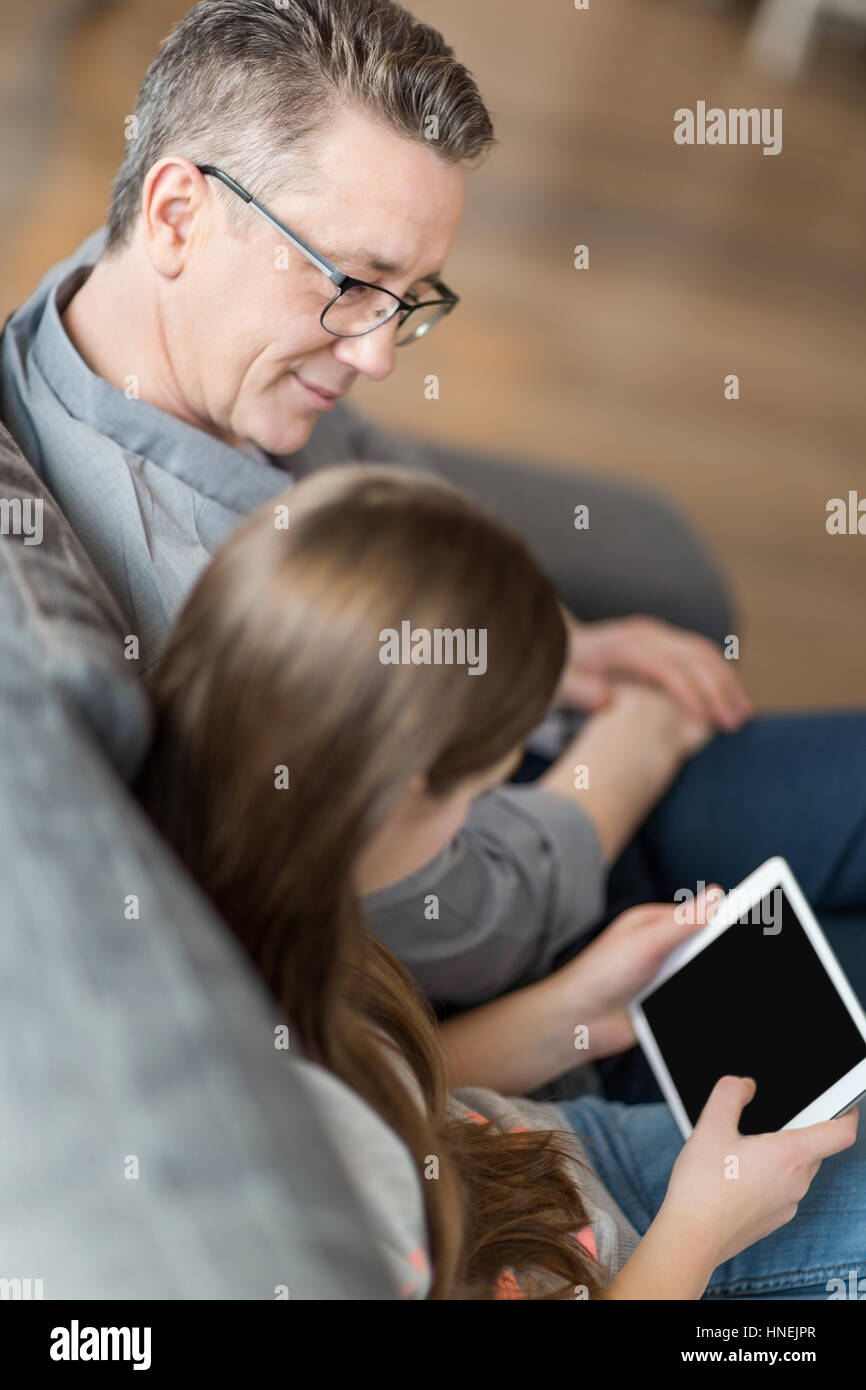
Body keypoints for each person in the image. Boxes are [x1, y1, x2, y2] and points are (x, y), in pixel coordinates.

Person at [0, 0, 752, 1046]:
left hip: (515, 745)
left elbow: (366, 459)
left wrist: (560, 645)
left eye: (408, 296)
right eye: (351, 283)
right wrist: (632, 746)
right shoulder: (200, 618)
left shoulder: (116, 295)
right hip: (550, 857)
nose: (379, 357)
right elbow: (460, 922)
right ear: (176, 215)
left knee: (677, 579)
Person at [136, 465, 863, 1300]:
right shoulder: (245, 1161)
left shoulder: (236, 889)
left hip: (542, 1149)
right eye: (487, 787)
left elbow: (386, 1086)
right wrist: (699, 1231)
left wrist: (574, 1012)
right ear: (410, 788)